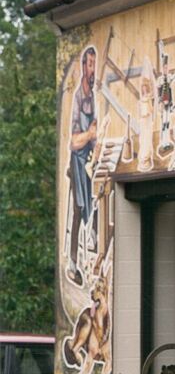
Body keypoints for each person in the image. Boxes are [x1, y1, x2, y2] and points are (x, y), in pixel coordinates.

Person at [67, 46, 98, 286]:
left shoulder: (93, 97)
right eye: (89, 64)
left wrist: (96, 139)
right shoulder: (78, 97)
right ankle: (73, 263)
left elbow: (92, 134)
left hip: (89, 159)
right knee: (79, 207)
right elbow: (73, 141)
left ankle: (92, 259)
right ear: (83, 66)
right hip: (77, 161)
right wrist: (89, 135)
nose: (92, 70)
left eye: (94, 65)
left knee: (96, 201)